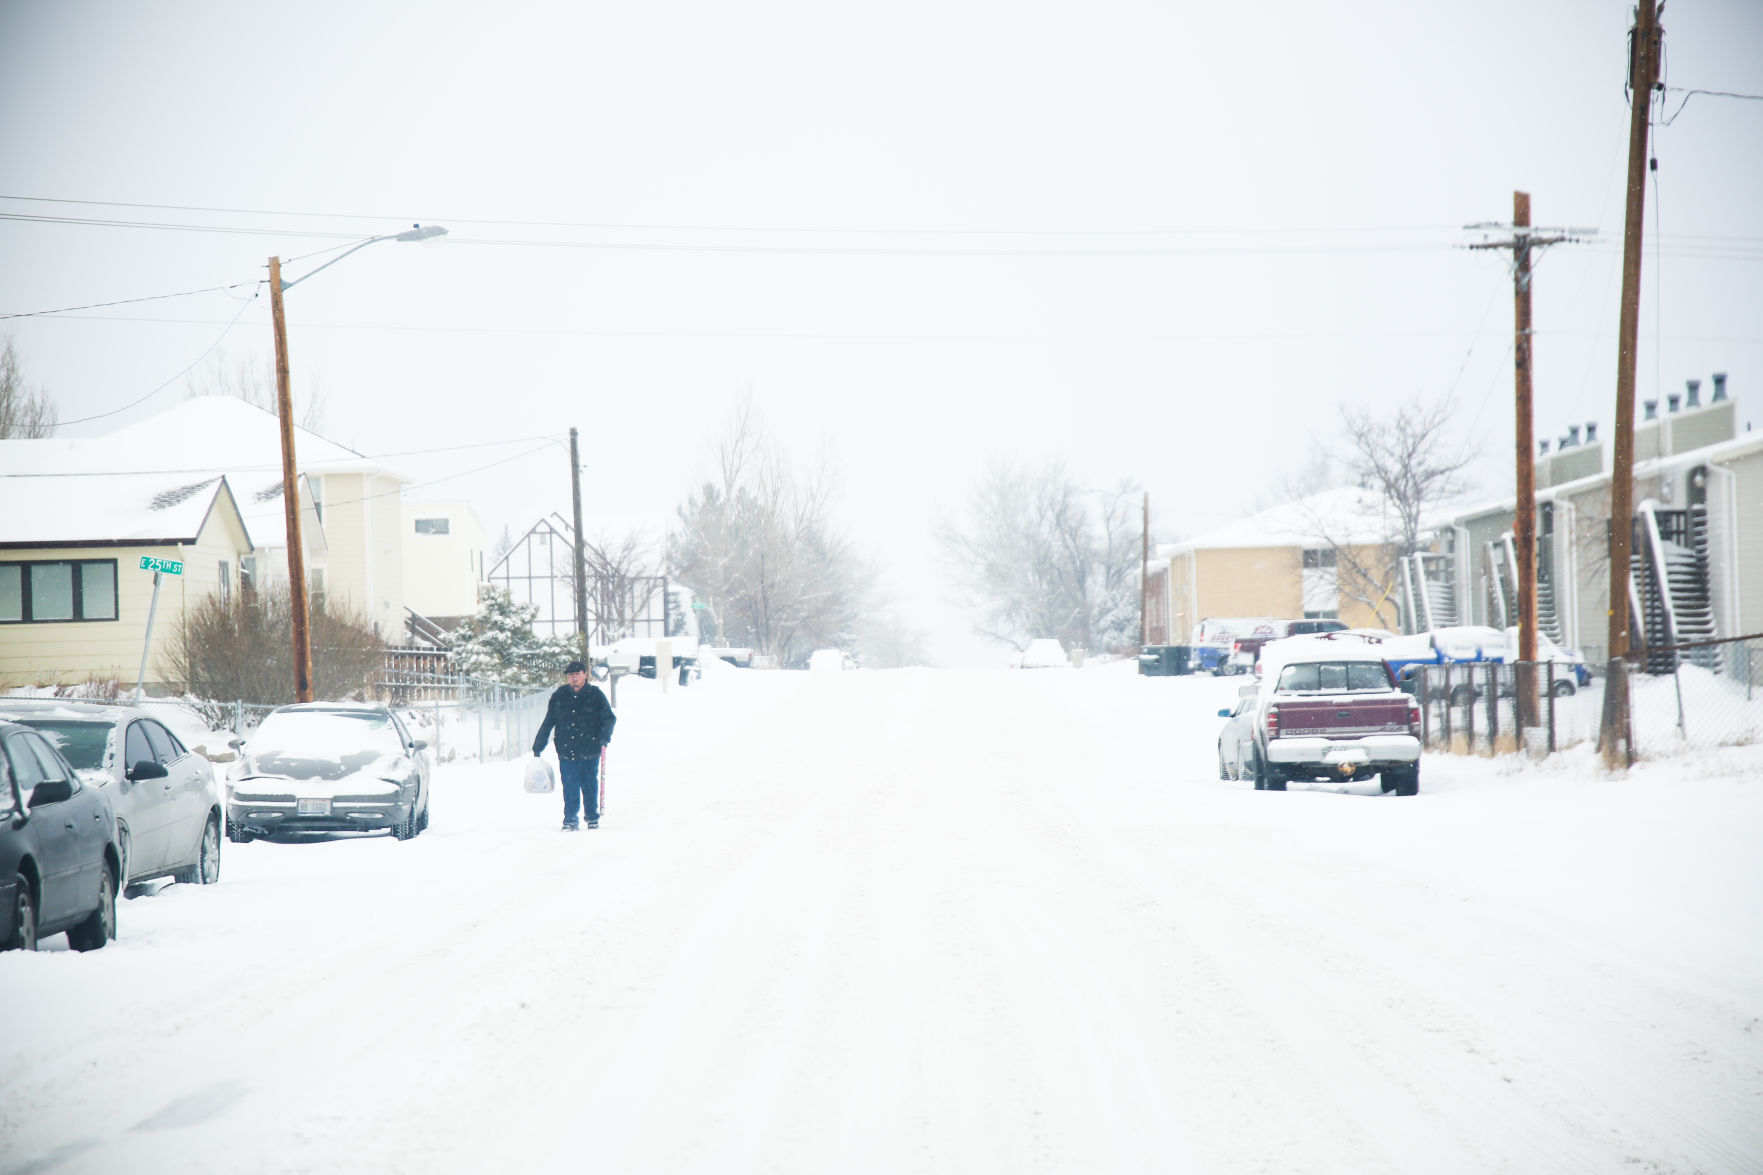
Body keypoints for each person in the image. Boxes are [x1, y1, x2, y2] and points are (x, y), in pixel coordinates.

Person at [533, 659, 616, 830]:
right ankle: (570, 818)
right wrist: (539, 744)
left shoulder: (595, 695)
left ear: (585, 675)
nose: (574, 678)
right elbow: (549, 721)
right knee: (570, 786)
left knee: (589, 784)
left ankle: (592, 817)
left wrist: (604, 736)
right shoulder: (559, 696)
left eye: (577, 674)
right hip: (566, 750)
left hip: (590, 748)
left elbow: (609, 718)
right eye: (571, 675)